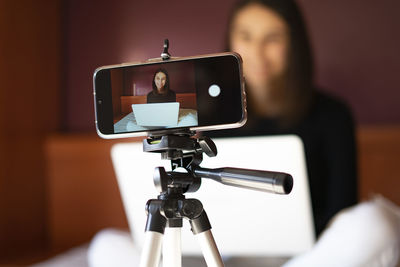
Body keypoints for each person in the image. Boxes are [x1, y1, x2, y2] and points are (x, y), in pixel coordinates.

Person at [206, 0, 358, 237]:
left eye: (273, 38)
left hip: (314, 255)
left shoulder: (333, 116)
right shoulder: (212, 116)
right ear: (231, 40)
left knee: (374, 224)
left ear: (294, 44)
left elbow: (343, 215)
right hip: (228, 250)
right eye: (246, 36)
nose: (257, 52)